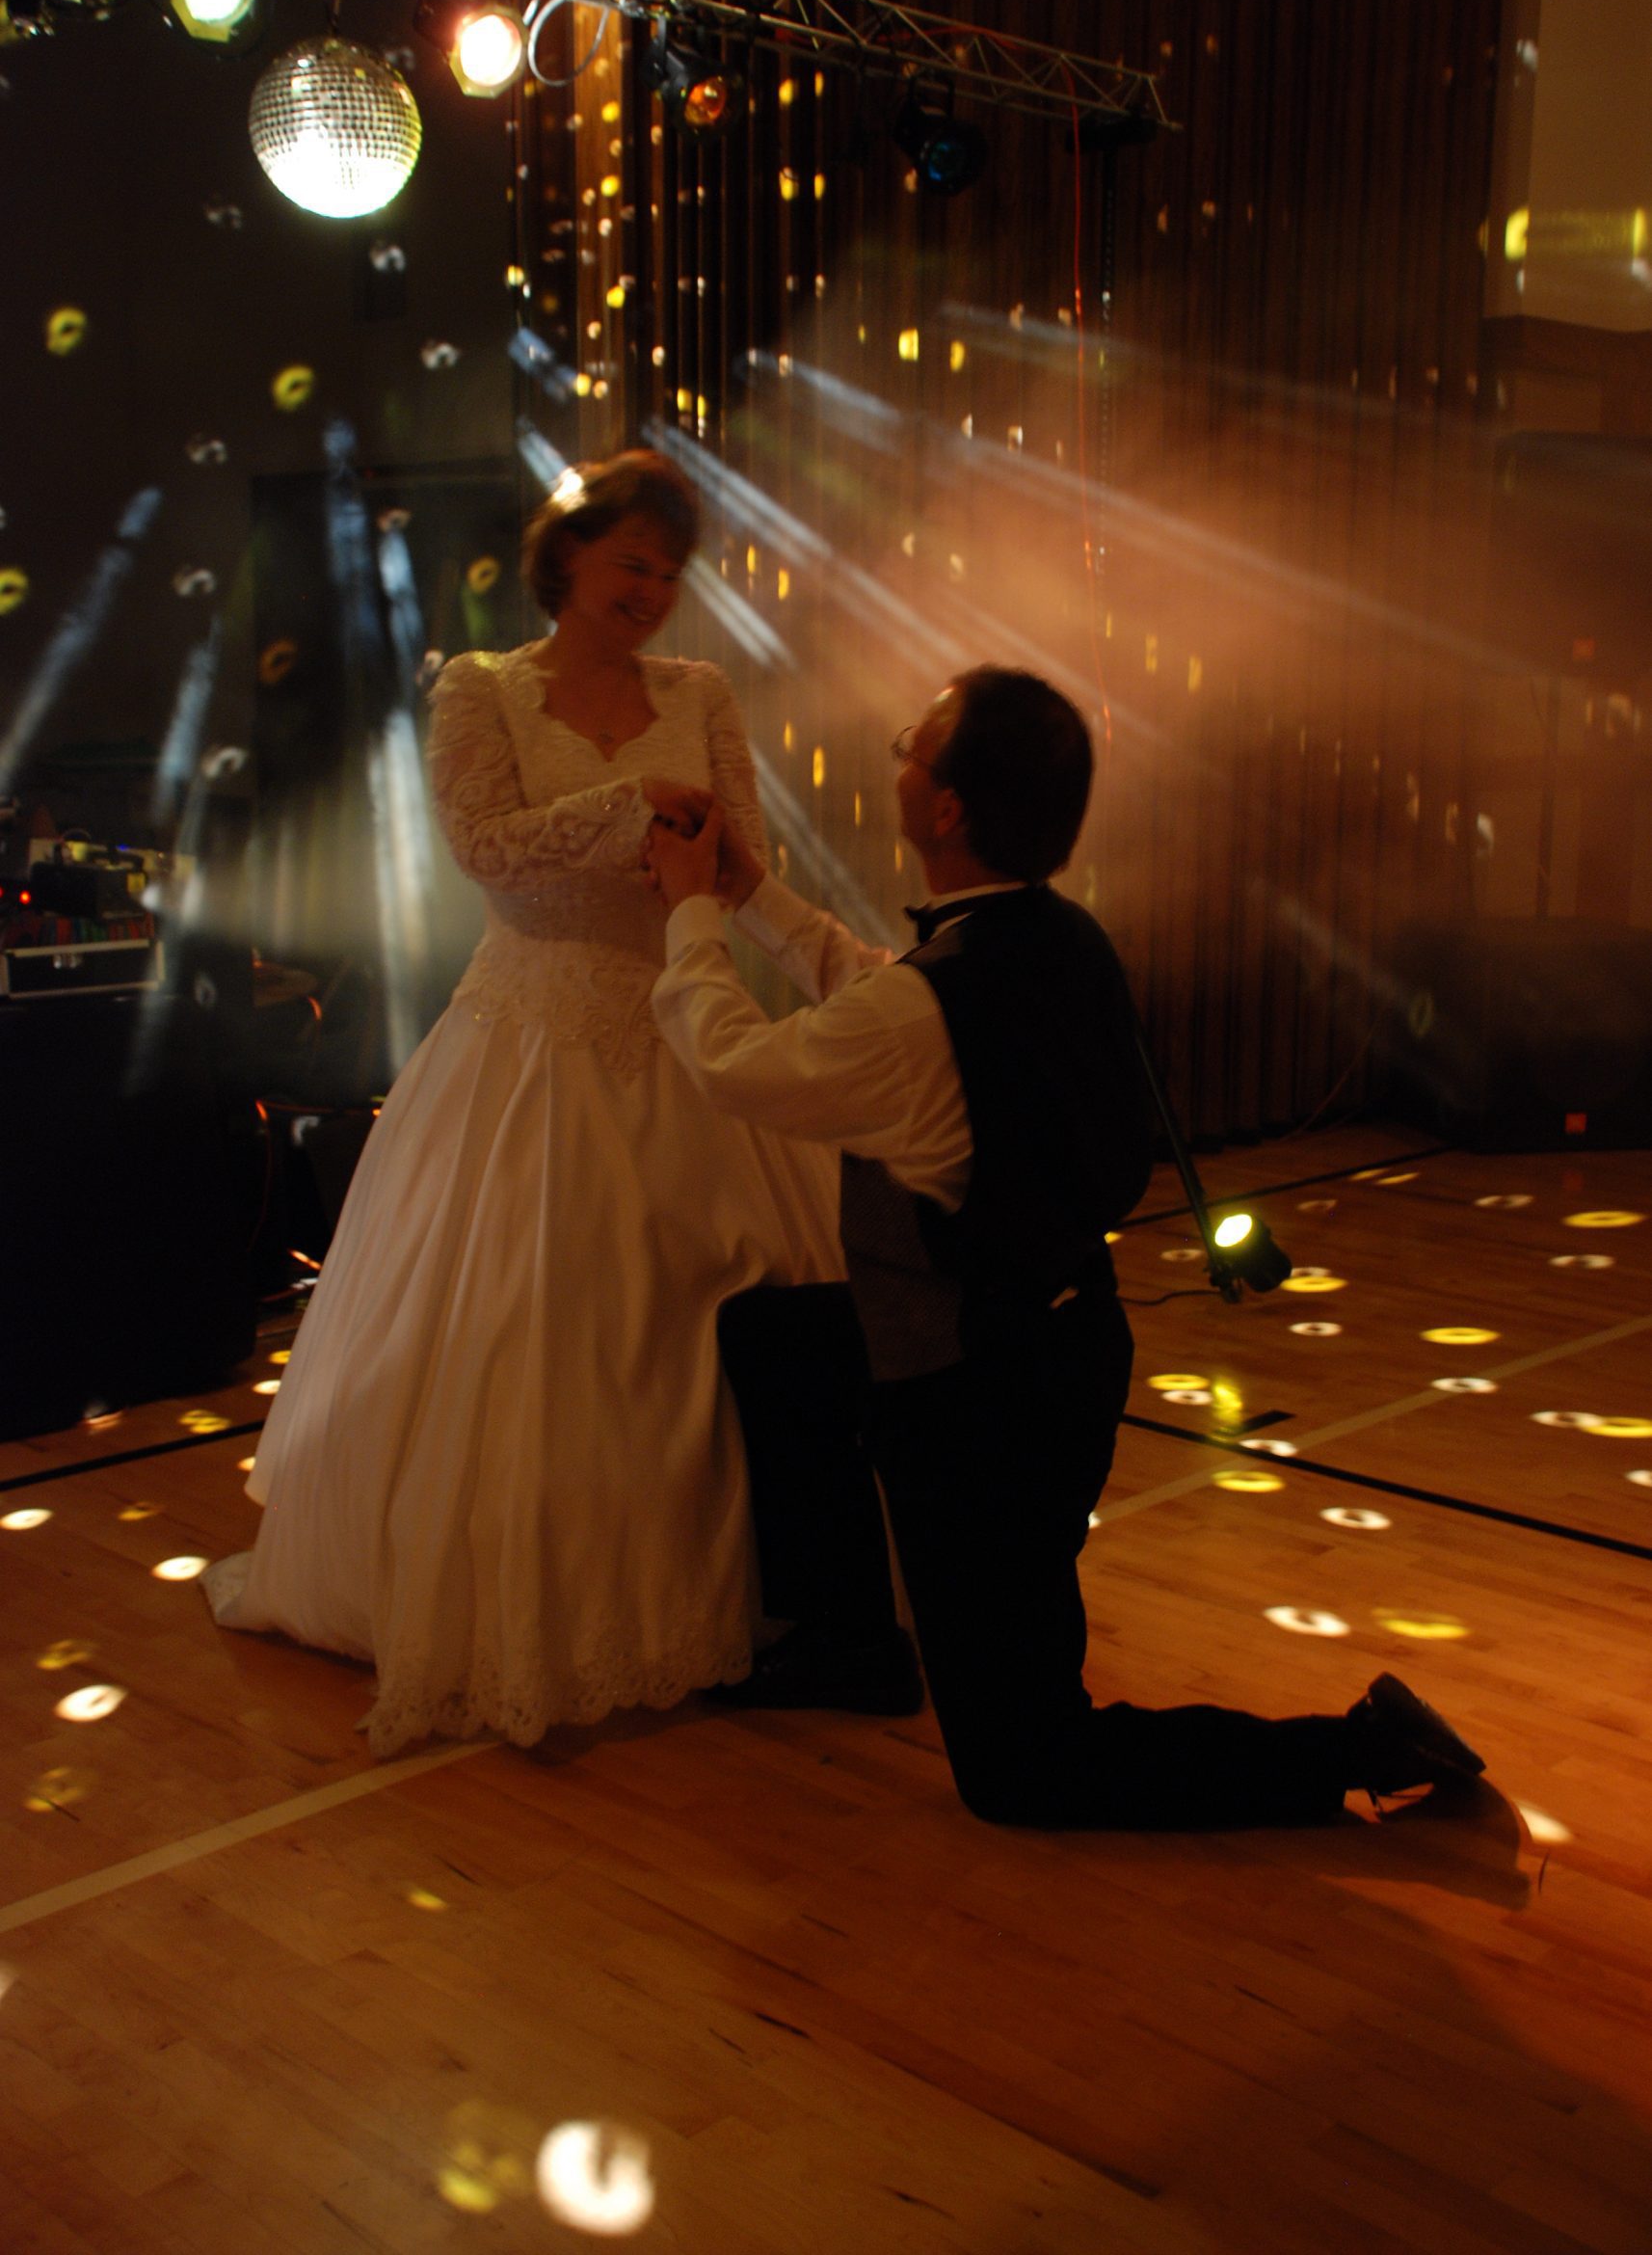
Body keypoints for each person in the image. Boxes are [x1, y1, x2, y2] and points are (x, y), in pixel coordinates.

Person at [646, 665, 1487, 1828]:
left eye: (911, 745)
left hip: (971, 1398)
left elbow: (735, 1062)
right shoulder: (1055, 936)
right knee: (777, 1336)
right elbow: (882, 995)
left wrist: (688, 910)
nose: (898, 754)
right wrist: (747, 895)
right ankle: (848, 1634)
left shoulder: (929, 1003)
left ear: (946, 807)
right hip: (1065, 1343)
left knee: (1023, 1766)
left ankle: (1359, 1747)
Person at [203, 452, 841, 1757]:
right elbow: (481, 846)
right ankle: (515, 1606)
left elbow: (745, 860)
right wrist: (626, 808)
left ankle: (776, 1596)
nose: (651, 592)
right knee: (521, 1328)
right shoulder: (481, 687)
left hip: (686, 1026)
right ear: (568, 557)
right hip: (527, 1040)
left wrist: (760, 917)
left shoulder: (700, 691)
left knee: (721, 1318)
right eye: (631, 565)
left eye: (669, 573)